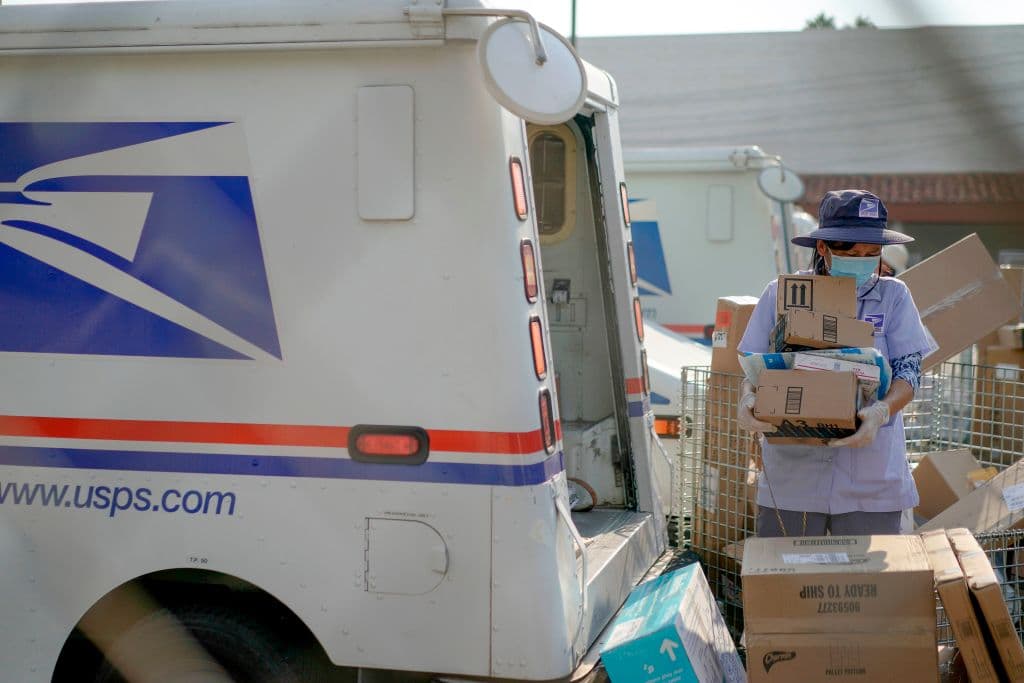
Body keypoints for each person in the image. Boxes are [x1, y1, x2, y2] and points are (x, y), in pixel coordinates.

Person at [736, 189, 933, 537]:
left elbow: (909, 370)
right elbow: (755, 363)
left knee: (865, 586)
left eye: (871, 253)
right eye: (850, 251)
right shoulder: (782, 294)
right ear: (823, 248)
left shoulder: (893, 296)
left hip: (871, 479)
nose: (862, 259)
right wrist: (749, 398)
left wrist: (880, 412)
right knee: (788, 583)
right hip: (793, 477)